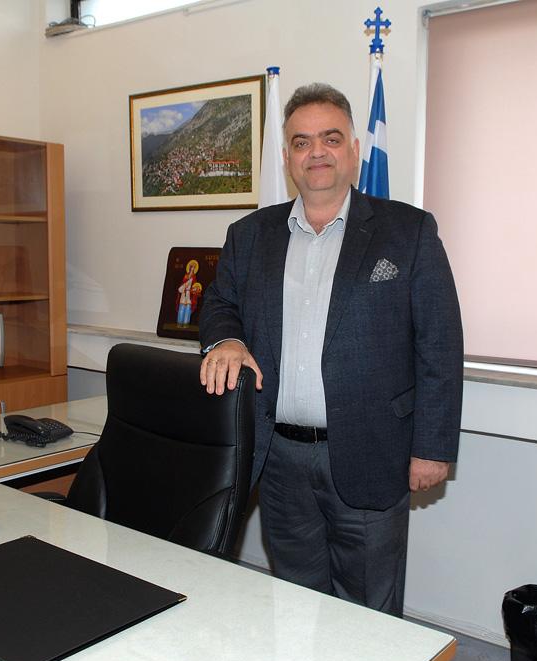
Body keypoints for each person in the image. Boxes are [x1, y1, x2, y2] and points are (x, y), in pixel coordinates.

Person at [198, 82, 463, 617]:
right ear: (287, 158)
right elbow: (220, 302)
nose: (316, 152)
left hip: (372, 450)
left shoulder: (407, 231)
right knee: (296, 601)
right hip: (279, 459)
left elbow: (439, 345)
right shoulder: (249, 235)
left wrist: (432, 448)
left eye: (330, 138)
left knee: (367, 612)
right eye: (301, 142)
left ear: (354, 150)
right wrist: (226, 339)